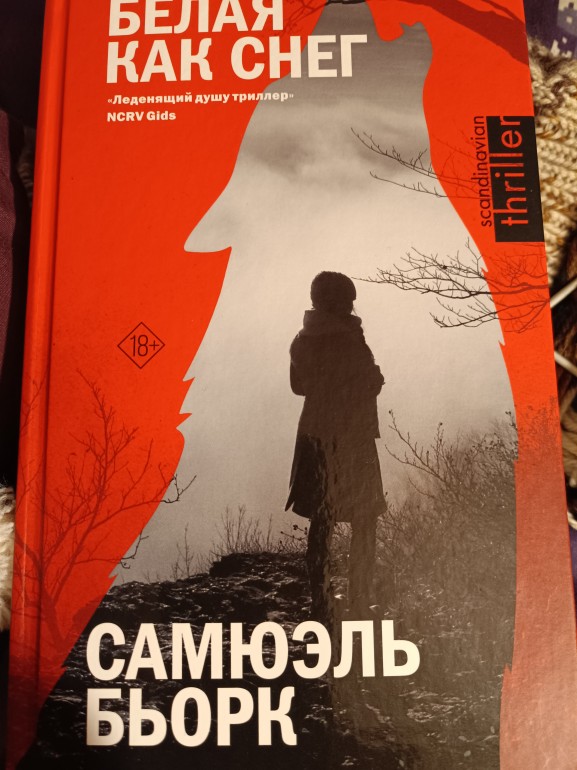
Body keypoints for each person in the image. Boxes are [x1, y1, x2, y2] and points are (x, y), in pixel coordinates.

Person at [286, 271, 386, 625]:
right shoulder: (348, 339)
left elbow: (299, 387)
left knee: (321, 521)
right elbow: (366, 383)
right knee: (365, 520)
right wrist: (374, 377)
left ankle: (321, 598)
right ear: (341, 302)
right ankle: (360, 598)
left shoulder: (302, 338)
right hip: (353, 438)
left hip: (315, 435)